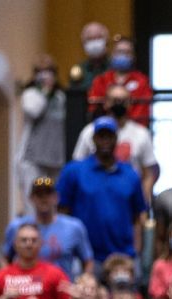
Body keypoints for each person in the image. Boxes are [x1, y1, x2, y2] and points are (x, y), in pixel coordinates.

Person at [58, 116, 149, 263]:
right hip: (83, 257)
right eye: (101, 136)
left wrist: (136, 252)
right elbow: (62, 212)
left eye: (109, 136)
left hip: (123, 258)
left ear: (116, 138)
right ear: (94, 139)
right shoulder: (74, 171)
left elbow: (138, 217)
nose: (105, 140)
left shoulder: (130, 174)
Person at [73, 83, 159, 198]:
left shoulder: (141, 134)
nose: (119, 104)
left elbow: (149, 172)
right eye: (114, 100)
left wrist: (143, 201)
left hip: (128, 196)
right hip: (94, 195)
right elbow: (77, 167)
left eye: (123, 100)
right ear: (106, 103)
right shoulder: (89, 132)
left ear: (129, 103)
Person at [4, 177, 95, 279]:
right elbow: (5, 258)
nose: (44, 198)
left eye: (48, 194)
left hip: (62, 289)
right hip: (26, 288)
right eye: (39, 195)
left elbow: (88, 261)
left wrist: (85, 282)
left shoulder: (74, 227)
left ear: (56, 197)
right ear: (31, 198)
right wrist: (8, 280)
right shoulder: (17, 227)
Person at [17, 54, 66, 208]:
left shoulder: (60, 96)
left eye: (49, 71)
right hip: (33, 157)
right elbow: (33, 111)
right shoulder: (30, 94)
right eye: (41, 71)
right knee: (33, 200)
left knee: (54, 200)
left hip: (56, 157)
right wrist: (45, 91)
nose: (45, 75)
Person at [86, 36, 153, 126]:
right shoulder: (101, 80)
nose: (123, 55)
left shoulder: (142, 81)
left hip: (133, 129)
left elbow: (143, 110)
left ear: (133, 56)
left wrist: (126, 125)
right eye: (119, 52)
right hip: (104, 128)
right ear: (113, 54)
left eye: (127, 52)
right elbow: (94, 108)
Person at [77, 22, 112, 87]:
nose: (94, 43)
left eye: (98, 38)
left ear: (106, 41)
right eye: (90, 39)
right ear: (83, 44)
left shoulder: (116, 68)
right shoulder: (79, 71)